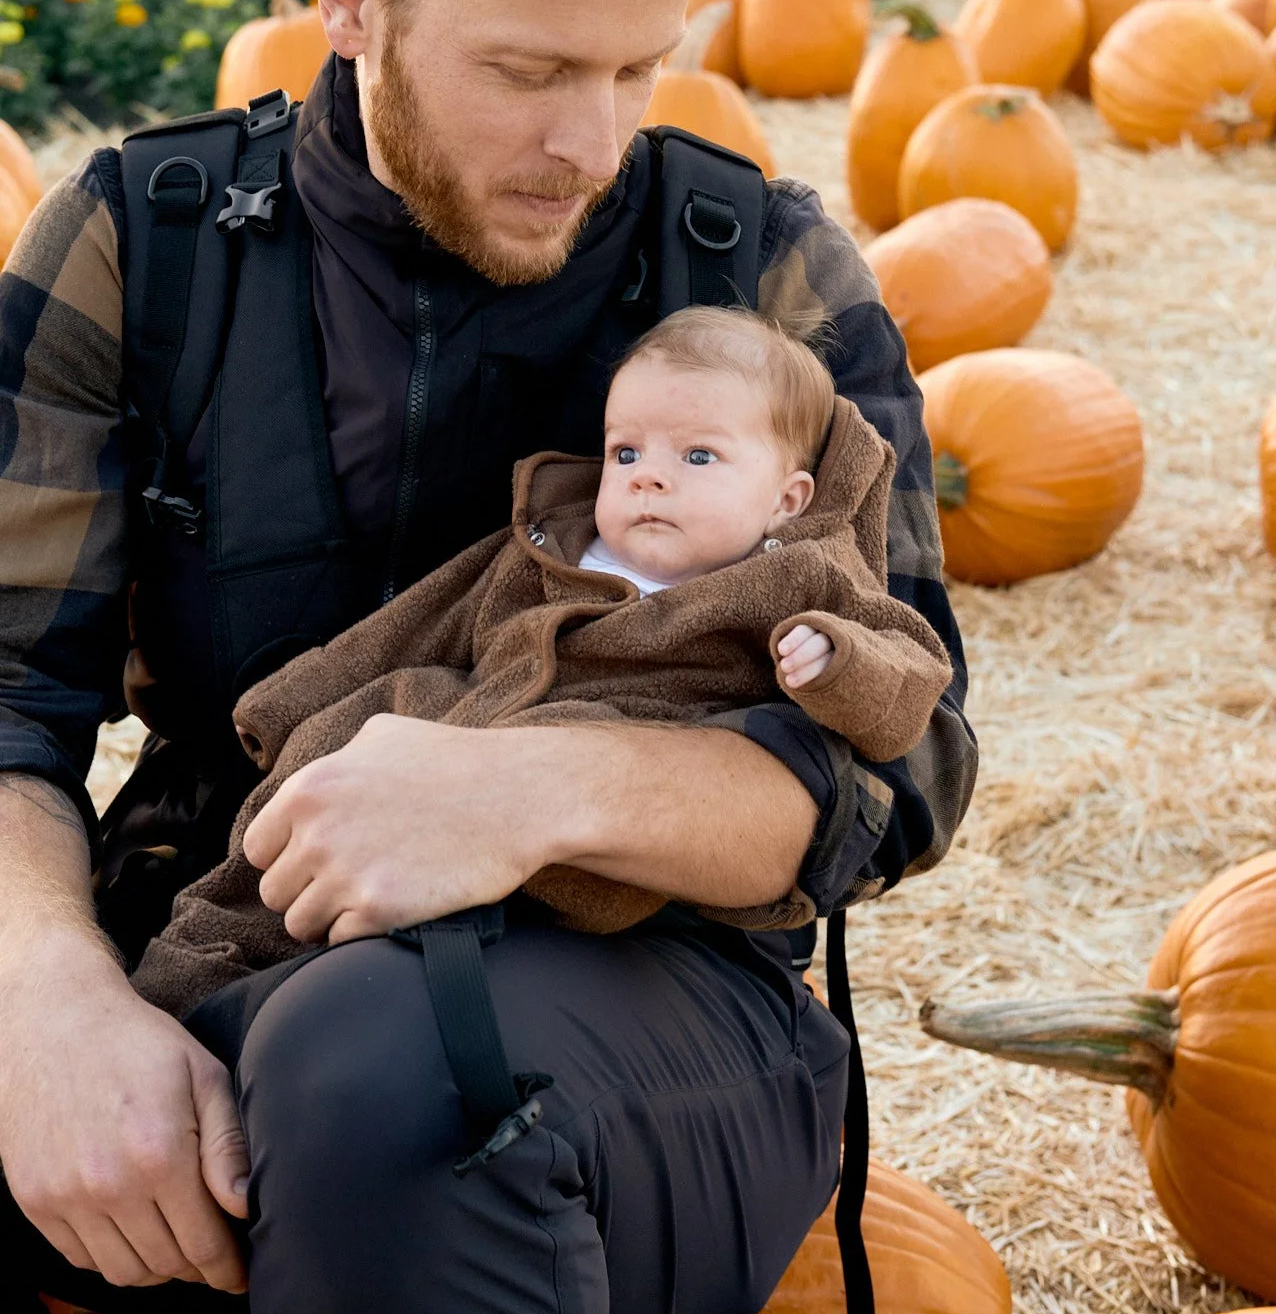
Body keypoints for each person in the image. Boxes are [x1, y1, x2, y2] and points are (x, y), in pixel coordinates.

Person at [0, 0, 975, 1314]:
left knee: (389, 1055)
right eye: (530, 71)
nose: (590, 139)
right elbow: (4, 689)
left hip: (637, 1034)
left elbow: (906, 759)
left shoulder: (761, 277)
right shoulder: (141, 240)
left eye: (634, 67)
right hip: (206, 954)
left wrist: (537, 787)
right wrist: (44, 994)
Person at [132, 306, 953, 1014]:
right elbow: (431, 616)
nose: (649, 481)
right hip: (449, 723)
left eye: (697, 458)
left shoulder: (797, 576)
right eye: (627, 453)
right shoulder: (550, 542)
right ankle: (203, 961)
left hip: (618, 758)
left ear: (786, 498)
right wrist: (295, 703)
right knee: (366, 723)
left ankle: (354, 964)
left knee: (564, 738)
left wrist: (837, 661)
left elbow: (912, 672)